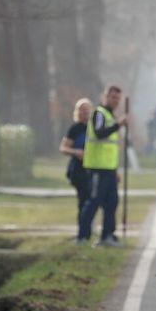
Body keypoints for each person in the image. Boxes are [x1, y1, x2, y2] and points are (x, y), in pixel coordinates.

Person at [79, 85, 128, 247]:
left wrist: (116, 169)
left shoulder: (110, 115)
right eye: (113, 97)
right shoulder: (99, 113)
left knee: (112, 202)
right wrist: (118, 125)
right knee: (94, 201)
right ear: (105, 97)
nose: (115, 101)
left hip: (109, 168)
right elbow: (100, 133)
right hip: (97, 168)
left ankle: (107, 235)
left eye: (118, 98)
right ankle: (83, 236)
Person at [60, 98, 92, 232]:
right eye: (82, 110)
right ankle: (83, 231)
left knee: (92, 200)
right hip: (79, 170)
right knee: (83, 200)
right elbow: (63, 148)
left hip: (93, 169)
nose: (84, 113)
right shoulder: (75, 129)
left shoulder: (94, 128)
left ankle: (89, 227)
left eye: (87, 110)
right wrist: (76, 152)